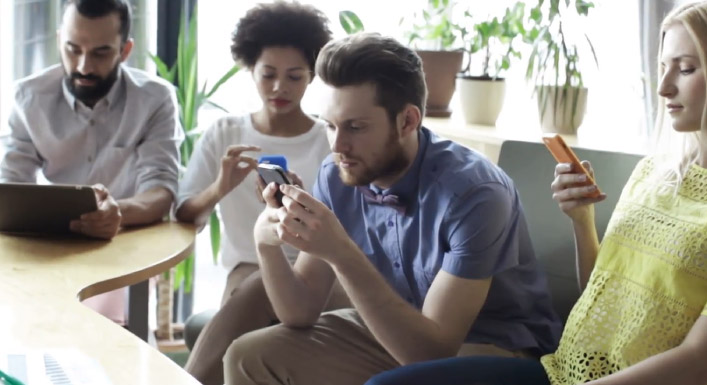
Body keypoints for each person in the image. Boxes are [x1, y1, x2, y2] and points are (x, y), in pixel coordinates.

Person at [364, 1, 707, 385]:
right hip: (562, 372)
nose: (664, 86)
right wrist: (582, 220)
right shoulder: (654, 172)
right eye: (663, 67)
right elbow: (599, 297)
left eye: (685, 68)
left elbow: (698, 361)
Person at [223, 32, 562, 385]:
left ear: (408, 121)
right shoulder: (338, 174)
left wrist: (341, 252)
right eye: (330, 125)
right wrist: (267, 244)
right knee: (249, 357)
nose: (338, 145)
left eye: (355, 127)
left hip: (492, 346)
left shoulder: (475, 193)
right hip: (399, 325)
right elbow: (300, 311)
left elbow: (431, 353)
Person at [175, 3, 350, 384]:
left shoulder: (329, 139)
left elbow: (351, 226)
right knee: (257, 284)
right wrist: (220, 188)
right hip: (248, 271)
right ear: (250, 70)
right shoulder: (225, 133)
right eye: (268, 74)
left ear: (311, 78)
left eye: (294, 76)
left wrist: (301, 208)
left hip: (322, 278)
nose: (279, 88)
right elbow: (186, 215)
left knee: (265, 301)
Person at [0, 0, 181, 324]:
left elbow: (161, 188)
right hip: (51, 244)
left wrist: (119, 213)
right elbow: (11, 188)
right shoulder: (27, 98)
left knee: (115, 340)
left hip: (127, 240)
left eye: (100, 53)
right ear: (59, 41)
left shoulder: (155, 99)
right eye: (72, 49)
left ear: (125, 51)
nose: (83, 66)